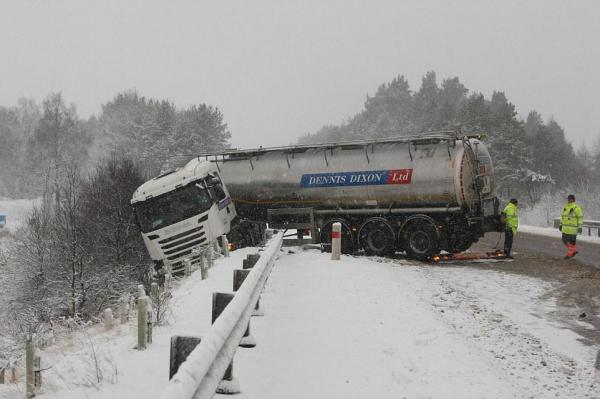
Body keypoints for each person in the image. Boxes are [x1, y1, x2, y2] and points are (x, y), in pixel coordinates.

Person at [559, 194, 584, 259]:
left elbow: (580, 217)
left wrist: (580, 227)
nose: (569, 200)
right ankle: (574, 251)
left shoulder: (576, 207)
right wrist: (560, 225)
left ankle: (570, 254)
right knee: (564, 240)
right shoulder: (565, 207)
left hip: (573, 230)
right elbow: (563, 217)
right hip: (565, 229)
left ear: (573, 199)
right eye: (568, 199)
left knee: (572, 242)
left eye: (570, 199)